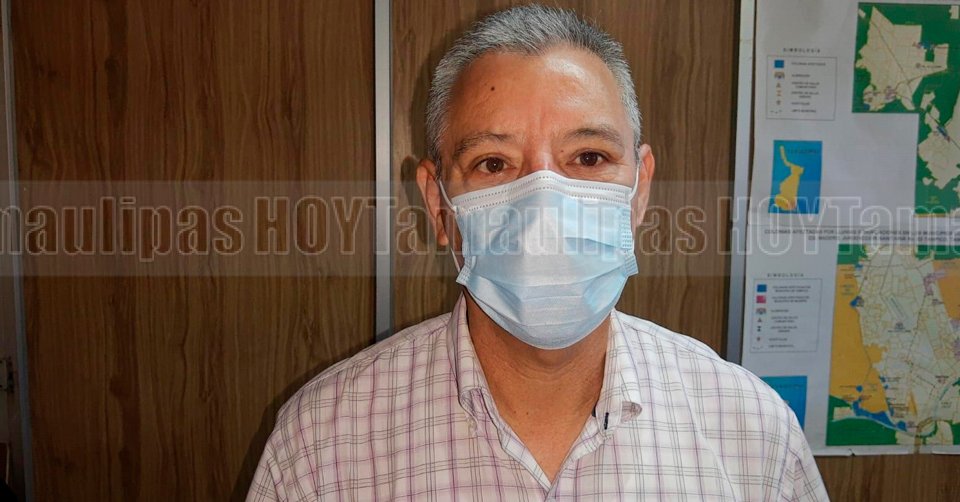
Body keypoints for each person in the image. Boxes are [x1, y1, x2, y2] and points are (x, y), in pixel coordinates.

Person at [247, 5, 828, 501]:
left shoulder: (756, 437)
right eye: (493, 164)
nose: (543, 206)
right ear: (439, 204)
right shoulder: (321, 445)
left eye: (589, 157)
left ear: (640, 189)